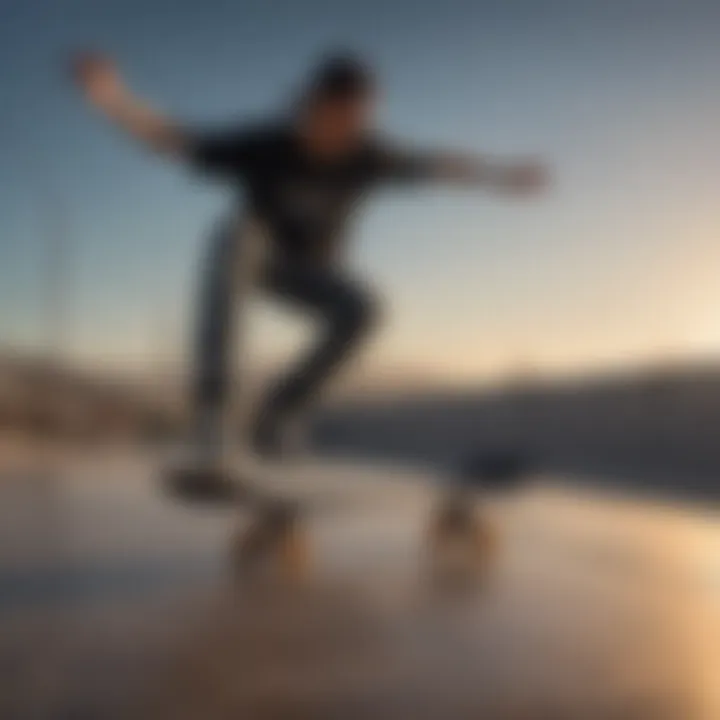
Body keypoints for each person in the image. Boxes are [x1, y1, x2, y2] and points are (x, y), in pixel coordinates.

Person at [72, 50, 548, 497]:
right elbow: (176, 140)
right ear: (311, 106)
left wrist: (501, 177)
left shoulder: (369, 157)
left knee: (363, 310)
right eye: (333, 118)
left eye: (354, 123)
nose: (340, 134)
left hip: (310, 275)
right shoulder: (266, 147)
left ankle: (278, 414)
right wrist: (113, 98)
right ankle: (215, 425)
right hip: (255, 260)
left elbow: (440, 166)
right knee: (238, 234)